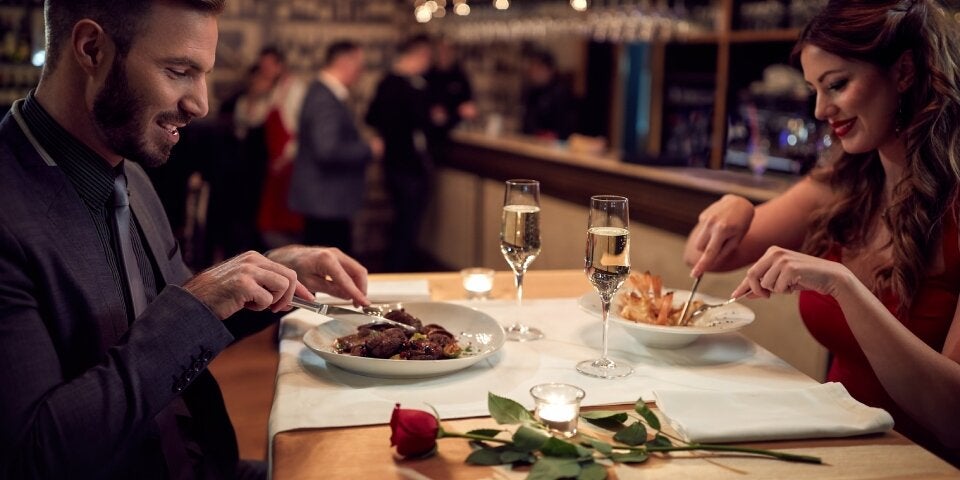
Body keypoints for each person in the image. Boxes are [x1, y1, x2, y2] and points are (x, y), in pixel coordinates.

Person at [0, 1, 369, 478]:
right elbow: (34, 454)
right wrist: (194, 306)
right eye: (179, 71)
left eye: (204, 75)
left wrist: (276, 268)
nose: (201, 103)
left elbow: (183, 319)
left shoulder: (128, 168)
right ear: (91, 49)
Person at [684, 0, 960, 466]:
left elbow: (954, 417)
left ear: (905, 72)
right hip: (834, 451)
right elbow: (704, 257)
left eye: (836, 85)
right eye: (814, 89)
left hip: (920, 466)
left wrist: (843, 285)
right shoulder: (846, 184)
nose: (819, 109)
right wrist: (735, 208)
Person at [289, 40, 382, 255]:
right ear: (344, 62)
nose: (361, 72)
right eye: (359, 65)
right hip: (326, 200)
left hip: (326, 199)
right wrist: (369, 149)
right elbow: (327, 150)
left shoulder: (323, 92)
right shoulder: (324, 96)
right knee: (329, 271)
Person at [366, 34, 435, 272]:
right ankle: (399, 272)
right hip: (404, 164)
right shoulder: (400, 85)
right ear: (419, 54)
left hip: (400, 163)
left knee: (406, 222)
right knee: (406, 224)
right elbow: (420, 121)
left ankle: (399, 270)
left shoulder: (399, 82)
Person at [254, 46, 307, 250]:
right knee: (269, 223)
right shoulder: (271, 91)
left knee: (288, 221)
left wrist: (284, 158)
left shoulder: (295, 89)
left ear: (280, 66)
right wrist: (257, 94)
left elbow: (302, 131)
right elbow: (254, 118)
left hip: (290, 165)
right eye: (262, 67)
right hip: (274, 166)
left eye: (268, 66)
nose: (265, 71)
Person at [424, 37, 476, 159]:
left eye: (447, 51)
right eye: (440, 51)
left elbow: (469, 105)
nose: (444, 55)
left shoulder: (460, 75)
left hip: (454, 131)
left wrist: (466, 111)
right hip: (430, 135)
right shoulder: (428, 74)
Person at [520, 49, 578, 141]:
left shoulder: (561, 92)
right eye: (532, 68)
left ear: (549, 70)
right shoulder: (532, 92)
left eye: (538, 68)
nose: (533, 73)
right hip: (533, 143)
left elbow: (566, 128)